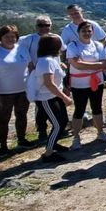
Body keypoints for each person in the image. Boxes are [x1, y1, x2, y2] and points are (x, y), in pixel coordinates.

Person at [0, 24, 31, 155]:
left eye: (13, 36)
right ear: (1, 38)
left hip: (23, 90)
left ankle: (22, 140)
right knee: (4, 119)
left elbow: (30, 66)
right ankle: (3, 146)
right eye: (7, 36)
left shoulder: (22, 49)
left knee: (22, 116)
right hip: (4, 93)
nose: (10, 39)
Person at [66, 21, 106, 149]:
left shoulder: (97, 45)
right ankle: (76, 137)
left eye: (89, 31)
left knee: (97, 107)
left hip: (97, 81)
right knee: (79, 109)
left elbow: (105, 63)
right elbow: (76, 64)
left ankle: (100, 132)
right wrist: (97, 65)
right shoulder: (73, 45)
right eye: (83, 31)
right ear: (78, 32)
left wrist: (83, 64)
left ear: (93, 32)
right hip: (79, 84)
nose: (86, 33)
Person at [33, 33, 73, 163]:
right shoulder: (46, 62)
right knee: (58, 124)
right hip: (46, 98)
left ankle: (53, 144)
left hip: (53, 96)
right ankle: (48, 153)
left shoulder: (52, 60)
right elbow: (49, 83)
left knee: (63, 120)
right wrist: (64, 97)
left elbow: (56, 80)